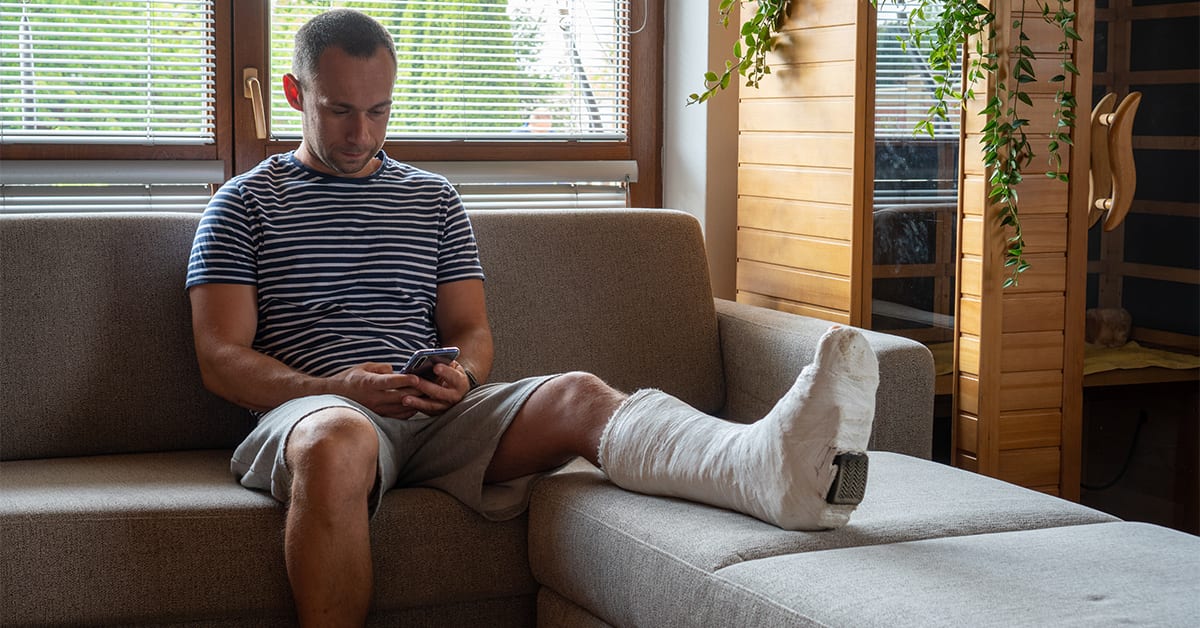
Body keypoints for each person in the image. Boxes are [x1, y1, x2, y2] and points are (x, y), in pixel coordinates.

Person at [186, 9, 880, 627]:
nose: (361, 132)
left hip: (430, 415)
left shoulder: (432, 199)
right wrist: (341, 388)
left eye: (379, 111)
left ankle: (761, 468)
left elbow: (472, 331)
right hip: (321, 415)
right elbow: (221, 359)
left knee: (578, 391)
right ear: (294, 93)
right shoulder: (244, 205)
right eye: (339, 110)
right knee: (337, 440)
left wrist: (463, 376)